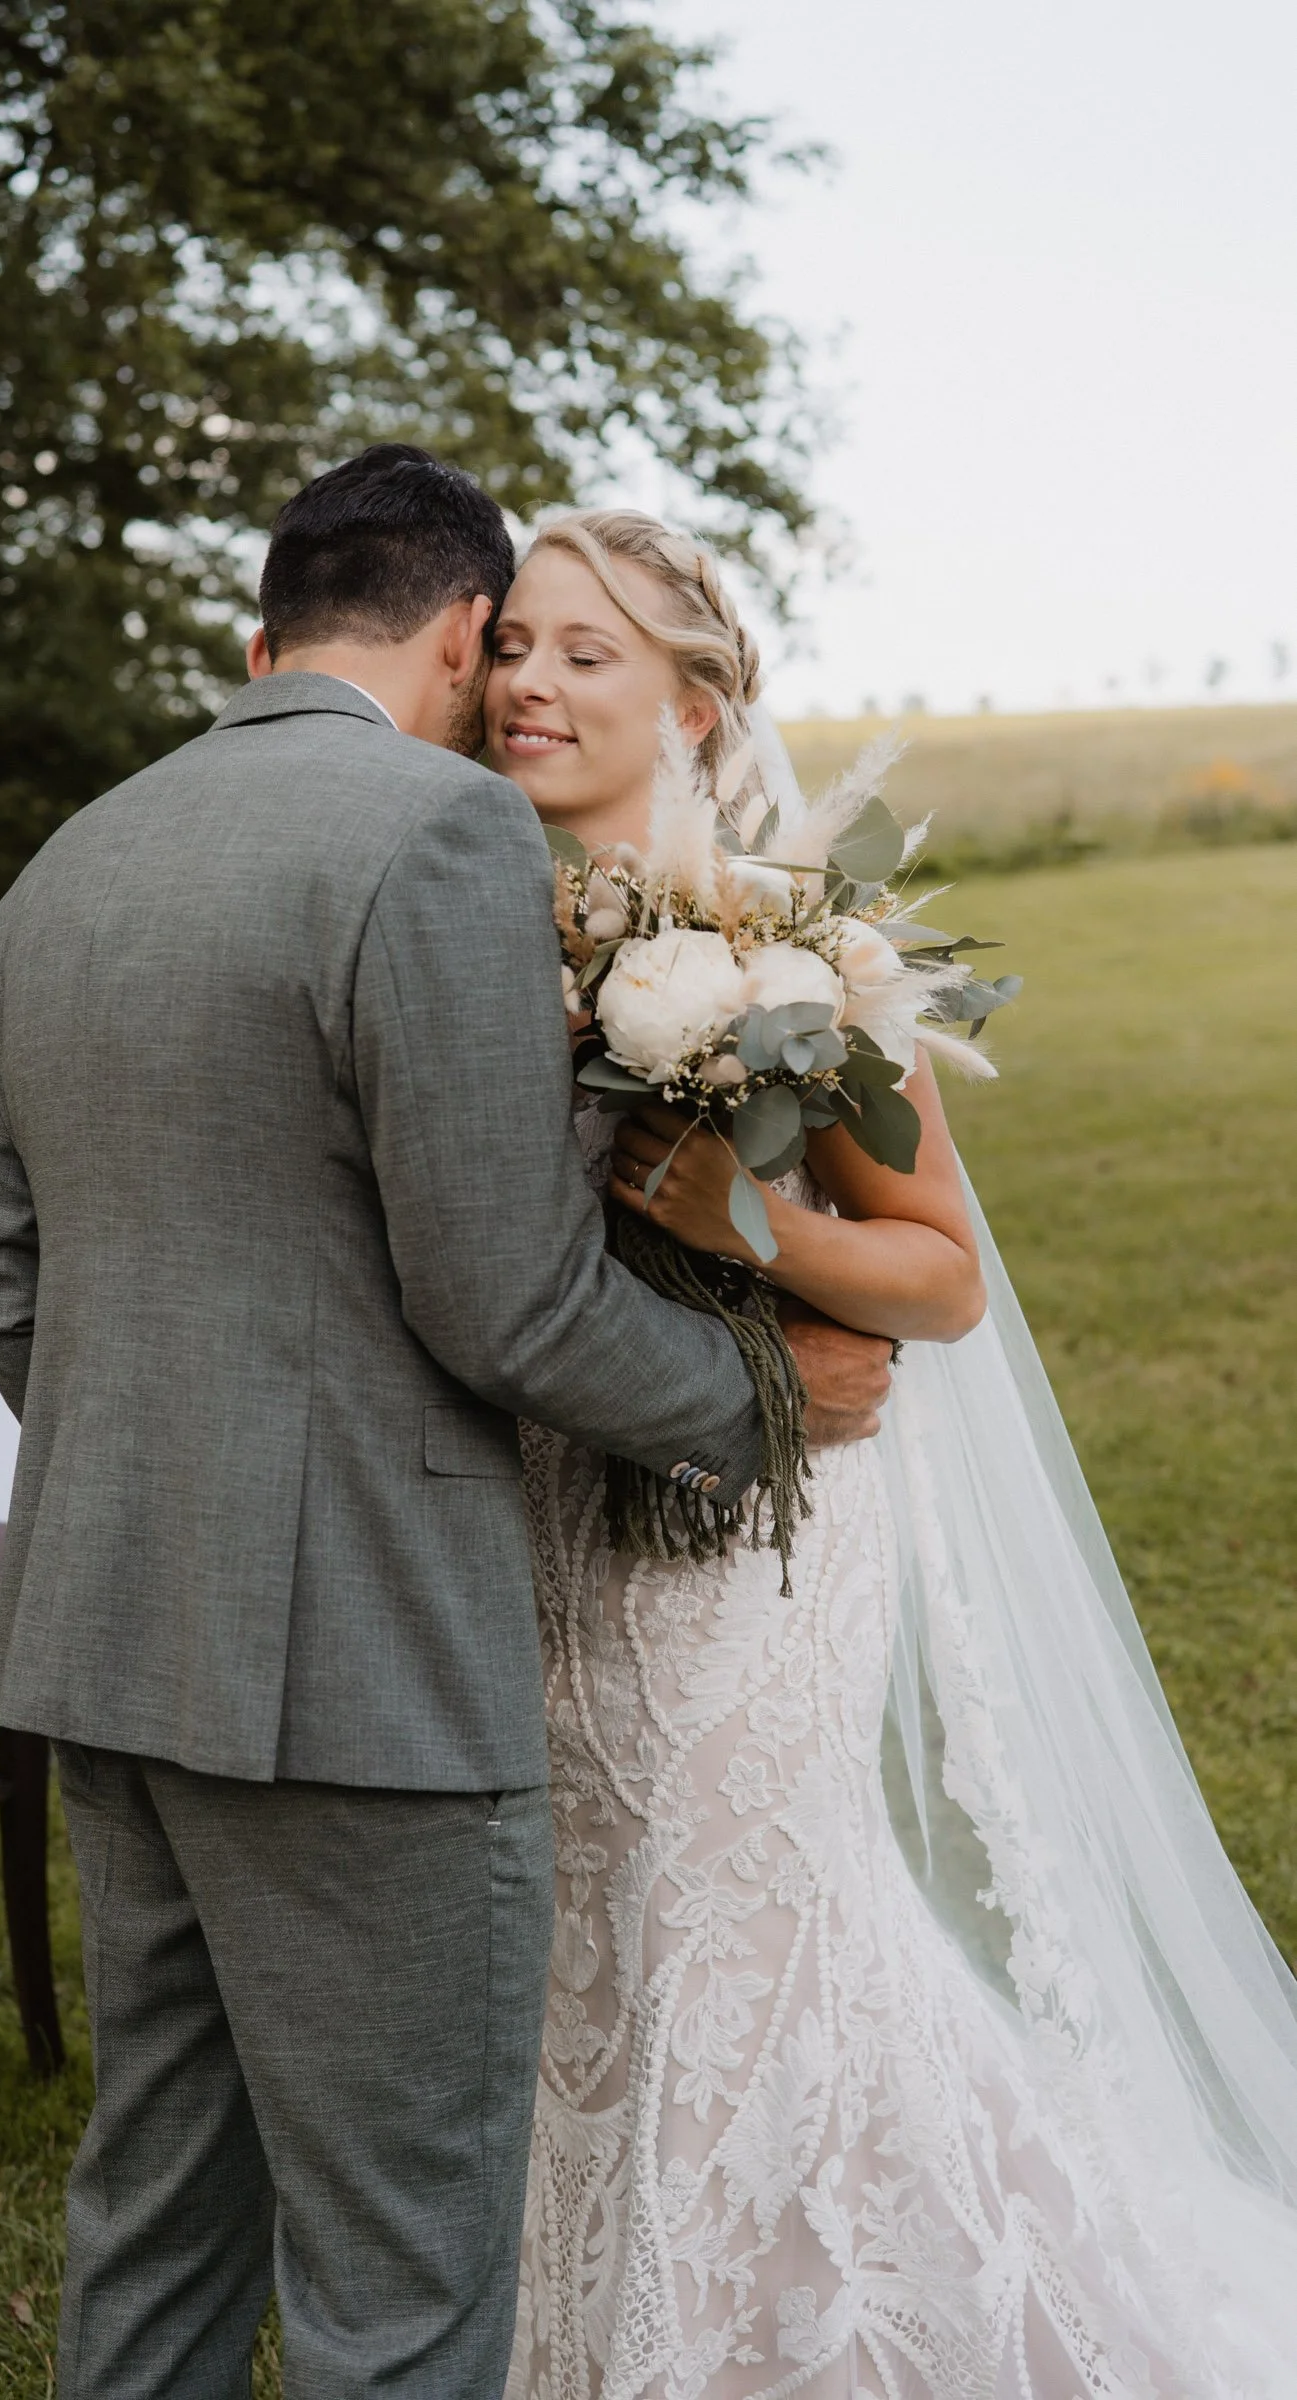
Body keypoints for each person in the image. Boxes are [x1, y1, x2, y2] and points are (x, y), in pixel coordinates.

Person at [0, 446, 892, 2400]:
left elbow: (6, 1293)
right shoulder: (435, 838)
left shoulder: (63, 869)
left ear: (266, 632)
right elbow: (505, 1295)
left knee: (156, 2224)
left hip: (105, 1656)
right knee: (404, 2291)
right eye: (513, 647)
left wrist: (181, 1484)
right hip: (357, 1683)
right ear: (465, 635)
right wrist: (753, 1396)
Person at [487, 509, 1297, 2399]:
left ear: (697, 699)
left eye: (587, 654)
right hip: (536, 1525)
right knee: (588, 1947)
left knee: (744, 1934)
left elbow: (939, 1281)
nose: (529, 682)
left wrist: (737, 1222)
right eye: (514, 643)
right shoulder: (459, 920)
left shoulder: (795, 944)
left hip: (750, 1548)